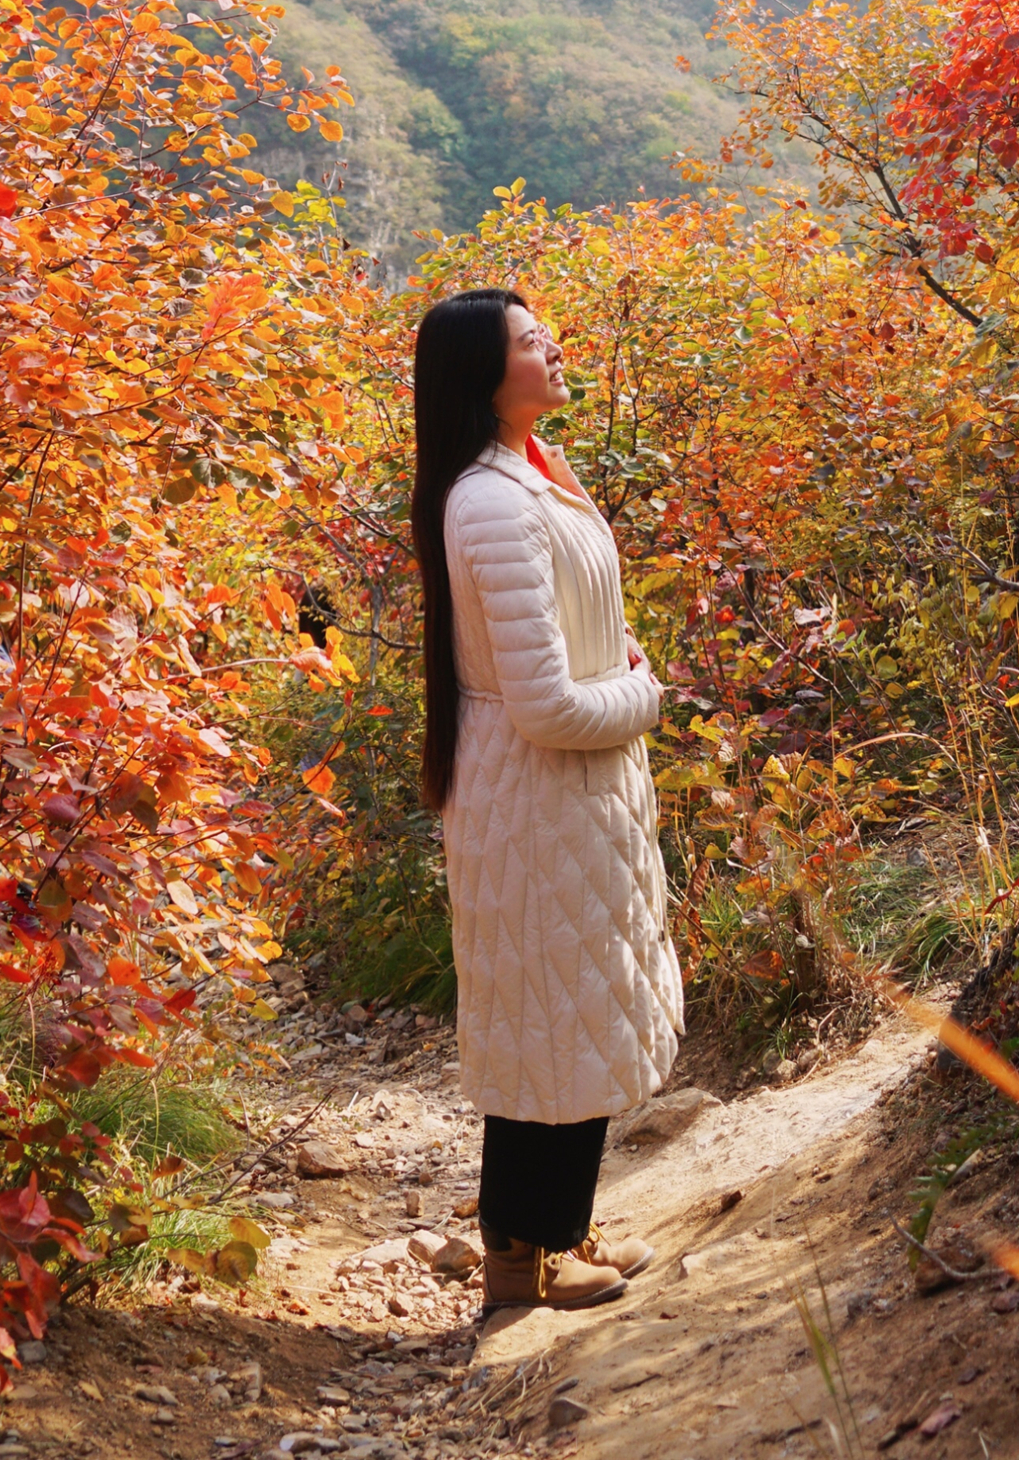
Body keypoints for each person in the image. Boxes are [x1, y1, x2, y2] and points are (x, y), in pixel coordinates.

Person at [410, 285, 683, 1312]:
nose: (554, 346)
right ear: (484, 375)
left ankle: (551, 1234)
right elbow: (547, 704)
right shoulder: (488, 501)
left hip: (573, 796)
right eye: (531, 340)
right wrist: (641, 691)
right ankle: (529, 1253)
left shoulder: (530, 475)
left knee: (568, 1008)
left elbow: (568, 647)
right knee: (546, 1017)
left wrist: (616, 668)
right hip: (538, 791)